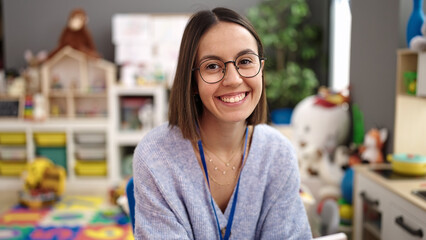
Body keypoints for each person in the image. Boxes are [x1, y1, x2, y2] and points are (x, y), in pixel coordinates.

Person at [133, 7, 312, 239]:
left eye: (246, 61)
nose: (234, 80)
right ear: (193, 82)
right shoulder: (155, 156)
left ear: (261, 69)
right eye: (212, 66)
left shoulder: (278, 154)